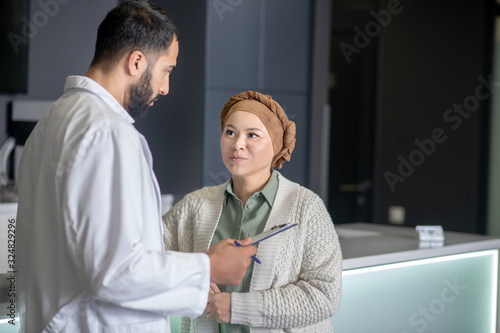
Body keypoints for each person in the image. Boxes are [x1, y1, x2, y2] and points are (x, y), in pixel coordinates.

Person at [16, 1, 257, 332]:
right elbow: (114, 273)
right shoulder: (106, 133)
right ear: (137, 61)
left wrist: (191, 286)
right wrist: (209, 267)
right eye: (166, 71)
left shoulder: (51, 123)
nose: (165, 88)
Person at [163, 91, 342, 332]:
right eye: (230, 132)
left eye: (252, 135)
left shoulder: (306, 208)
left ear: (276, 146)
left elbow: (324, 295)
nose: (237, 144)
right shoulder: (194, 206)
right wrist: (189, 282)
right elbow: (148, 259)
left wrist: (238, 307)